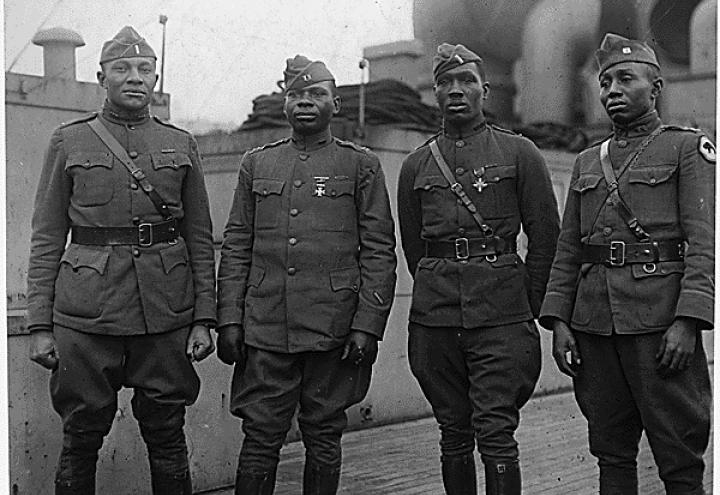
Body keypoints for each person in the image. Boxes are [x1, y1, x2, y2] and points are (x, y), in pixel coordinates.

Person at [26, 26, 216, 495]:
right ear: (101, 77)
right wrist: (39, 326)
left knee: (167, 431)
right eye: (122, 69)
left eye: (144, 69)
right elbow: (47, 237)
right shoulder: (68, 141)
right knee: (81, 435)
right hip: (87, 314)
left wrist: (203, 319)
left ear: (154, 78)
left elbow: (200, 237)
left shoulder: (181, 142)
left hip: (166, 311)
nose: (135, 77)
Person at [539, 33, 714, 495]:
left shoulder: (687, 149)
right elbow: (568, 250)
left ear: (654, 88)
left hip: (660, 326)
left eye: (625, 78)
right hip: (596, 328)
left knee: (679, 457)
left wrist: (689, 321)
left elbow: (703, 241)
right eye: (605, 81)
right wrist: (559, 320)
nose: (611, 90)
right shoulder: (586, 162)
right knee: (611, 453)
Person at [216, 55, 397, 494]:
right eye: (295, 95)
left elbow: (379, 251)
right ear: (284, 104)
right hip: (266, 327)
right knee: (260, 435)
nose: (305, 102)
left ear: (335, 103)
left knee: (323, 434)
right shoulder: (257, 164)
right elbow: (237, 244)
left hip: (332, 329)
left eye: (316, 94)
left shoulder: (361, 165)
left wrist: (366, 326)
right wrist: (230, 319)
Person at [397, 43, 560, 495]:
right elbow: (415, 246)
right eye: (446, 82)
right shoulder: (415, 165)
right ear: (434, 94)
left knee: (496, 433)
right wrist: (437, 286)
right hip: (437, 318)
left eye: (466, 81)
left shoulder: (520, 153)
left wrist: (524, 302)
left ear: (484, 90)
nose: (456, 90)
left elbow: (546, 237)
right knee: (452, 430)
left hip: (502, 315)